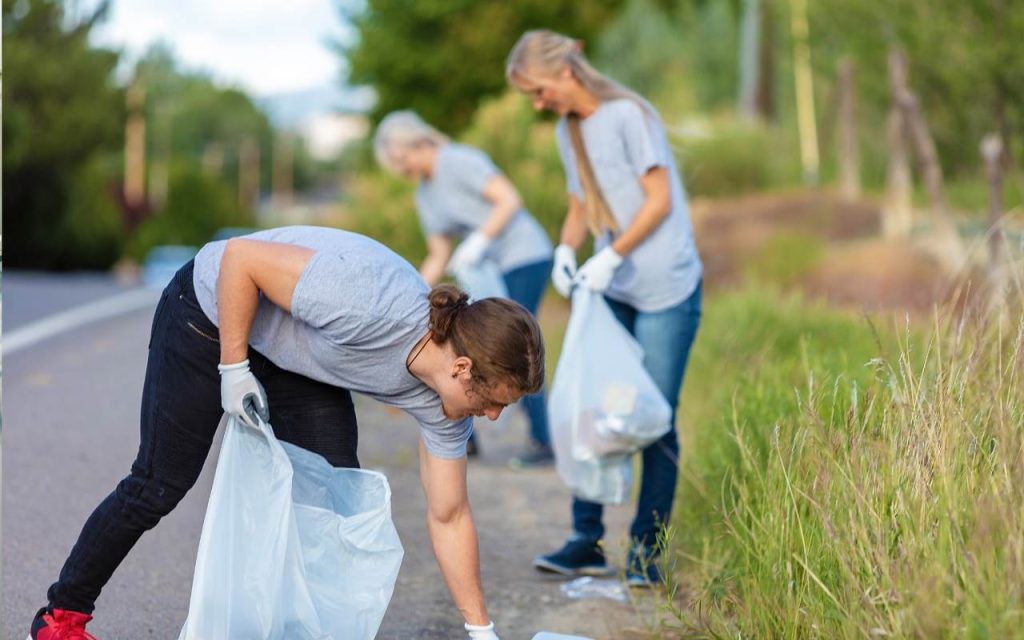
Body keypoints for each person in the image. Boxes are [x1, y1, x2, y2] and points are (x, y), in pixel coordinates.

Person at [28, 226, 542, 640]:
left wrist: (481, 630)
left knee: (333, 491)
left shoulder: (444, 407)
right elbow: (240, 259)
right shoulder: (368, 302)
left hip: (294, 354)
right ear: (462, 368)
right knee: (159, 482)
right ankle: (60, 618)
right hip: (210, 310)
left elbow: (449, 515)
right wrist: (232, 368)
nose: (493, 417)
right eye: (494, 401)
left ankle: (298, 626)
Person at [506, 30, 703, 586]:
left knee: (654, 419)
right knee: (594, 408)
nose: (538, 103)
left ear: (565, 73)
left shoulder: (629, 116)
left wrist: (612, 253)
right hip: (613, 289)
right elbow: (580, 202)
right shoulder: (570, 132)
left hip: (666, 286)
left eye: (539, 90)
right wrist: (568, 249)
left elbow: (659, 201)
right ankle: (586, 539)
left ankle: (646, 551)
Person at [374, 111, 555, 467]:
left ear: (417, 142)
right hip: (484, 268)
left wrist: (480, 241)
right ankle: (464, 438)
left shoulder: (458, 161)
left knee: (514, 347)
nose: (400, 168)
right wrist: (413, 292)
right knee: (463, 343)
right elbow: (438, 253)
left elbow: (509, 200)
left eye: (400, 158)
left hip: (523, 255)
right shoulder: (425, 195)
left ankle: (542, 441)